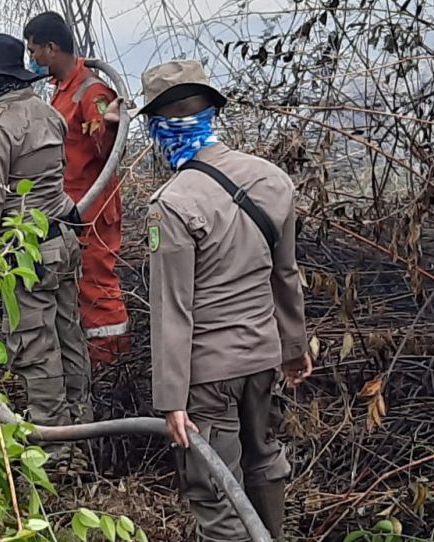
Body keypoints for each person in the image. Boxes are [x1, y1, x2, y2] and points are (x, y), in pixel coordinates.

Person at [134, 60, 312, 541]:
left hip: (209, 377)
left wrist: (170, 401)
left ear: (159, 129)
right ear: (211, 114)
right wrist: (294, 348)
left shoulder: (171, 204)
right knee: (265, 465)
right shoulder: (271, 180)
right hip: (262, 358)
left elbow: (173, 310)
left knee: (216, 490)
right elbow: (286, 274)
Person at [0, 33, 93, 430]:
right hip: (61, 242)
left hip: (28, 254)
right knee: (69, 334)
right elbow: (53, 179)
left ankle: (56, 443)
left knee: (36, 347)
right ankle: (83, 426)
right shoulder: (48, 112)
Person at [24, 12, 129, 368]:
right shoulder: (61, 91)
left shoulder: (91, 90)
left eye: (34, 51)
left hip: (93, 208)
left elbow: (108, 148)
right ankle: (90, 361)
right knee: (78, 286)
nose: (33, 60)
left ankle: (112, 366)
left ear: (52, 48)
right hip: (71, 208)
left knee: (98, 286)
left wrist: (110, 127)